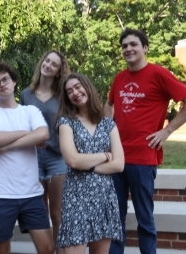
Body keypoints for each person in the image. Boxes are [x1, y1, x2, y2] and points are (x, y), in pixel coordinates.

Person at [104, 28, 186, 254]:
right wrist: (105, 130)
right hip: (117, 157)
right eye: (124, 46)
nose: (128, 49)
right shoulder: (119, 77)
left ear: (145, 48)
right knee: (115, 217)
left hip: (143, 157)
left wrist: (166, 131)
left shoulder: (158, 74)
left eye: (133, 44)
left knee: (144, 217)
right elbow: (110, 105)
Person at [0, 61, 54, 254]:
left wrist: (7, 145)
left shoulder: (30, 111)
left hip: (32, 193)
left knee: (47, 248)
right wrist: (25, 133)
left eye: (5, 79)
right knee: (1, 250)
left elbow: (43, 134)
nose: (2, 84)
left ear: (14, 82)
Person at [56, 73, 124, 254]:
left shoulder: (108, 124)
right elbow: (72, 160)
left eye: (78, 87)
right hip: (76, 197)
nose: (75, 93)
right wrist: (104, 155)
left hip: (104, 196)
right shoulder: (66, 123)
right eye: (69, 91)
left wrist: (87, 164)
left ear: (87, 87)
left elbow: (119, 164)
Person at [19, 50, 70, 253]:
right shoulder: (25, 94)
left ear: (58, 71)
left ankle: (59, 250)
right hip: (34, 159)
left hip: (57, 158)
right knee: (40, 215)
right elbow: (22, 124)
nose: (48, 65)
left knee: (57, 214)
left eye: (54, 64)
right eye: (47, 60)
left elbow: (70, 124)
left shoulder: (63, 96)